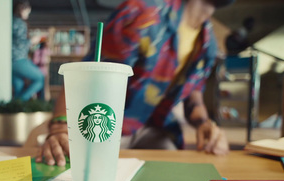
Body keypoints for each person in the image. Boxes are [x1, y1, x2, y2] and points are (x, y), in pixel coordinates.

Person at [36, 0, 234, 166]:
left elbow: (193, 92)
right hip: (107, 124)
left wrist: (205, 124)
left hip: (156, 130)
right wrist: (61, 128)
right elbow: (84, 75)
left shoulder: (209, 44)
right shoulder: (142, 12)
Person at [12, 0, 44, 101]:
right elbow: (20, 44)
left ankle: (16, 109)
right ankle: (21, 103)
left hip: (9, 61)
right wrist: (32, 40)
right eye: (27, 11)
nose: (28, 14)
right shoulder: (20, 23)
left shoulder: (10, 21)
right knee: (40, 78)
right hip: (18, 60)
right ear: (22, 9)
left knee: (19, 88)